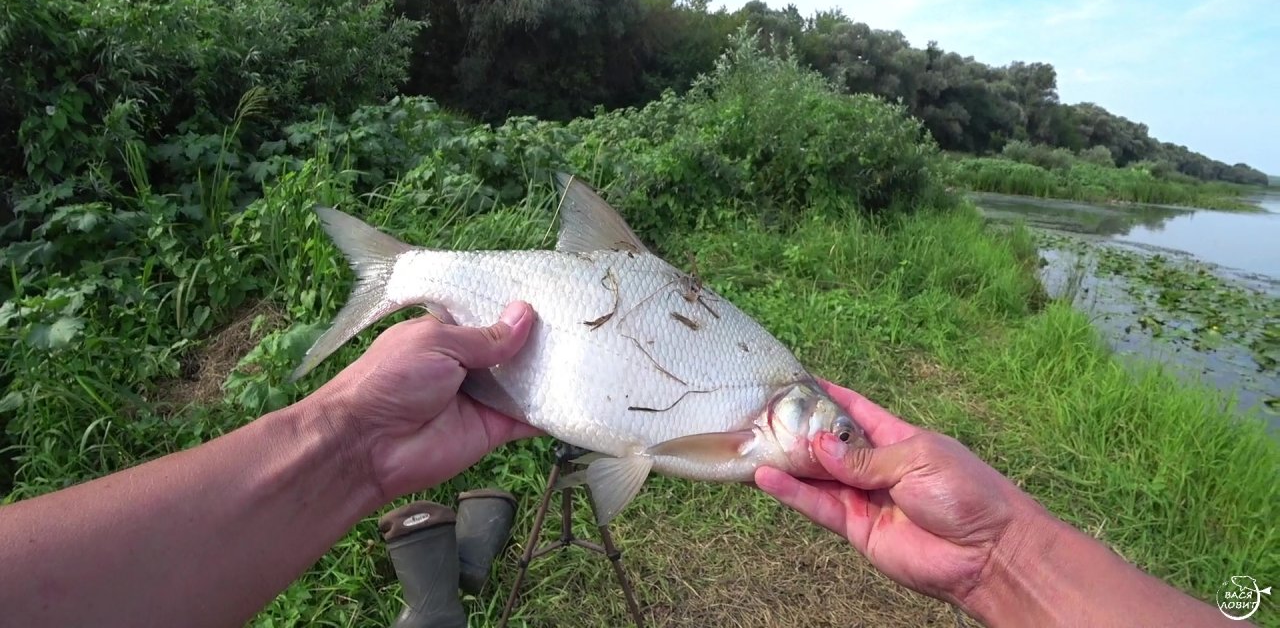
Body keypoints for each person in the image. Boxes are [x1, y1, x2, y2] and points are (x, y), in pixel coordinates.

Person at [0, 302, 1234, 627]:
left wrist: (1000, 557)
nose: (848, 453)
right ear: (803, 414)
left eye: (840, 439)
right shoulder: (763, 407)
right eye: (842, 433)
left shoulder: (768, 403)